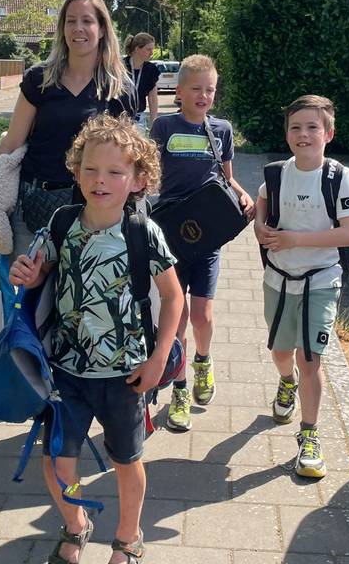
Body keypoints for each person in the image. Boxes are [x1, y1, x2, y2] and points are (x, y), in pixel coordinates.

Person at [9, 115, 182, 564]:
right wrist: (25, 273)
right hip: (66, 370)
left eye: (113, 172)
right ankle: (75, 522)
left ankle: (128, 536)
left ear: (138, 180)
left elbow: (174, 296)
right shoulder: (63, 222)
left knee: (127, 460)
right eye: (89, 169)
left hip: (127, 374)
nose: (99, 181)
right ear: (76, 169)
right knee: (57, 461)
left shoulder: (143, 233)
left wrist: (160, 357)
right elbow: (37, 267)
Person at [254, 95, 349, 479]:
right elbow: (262, 204)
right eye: (296, 127)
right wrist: (260, 227)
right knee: (283, 353)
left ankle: (309, 436)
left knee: (310, 357)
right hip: (279, 280)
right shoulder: (277, 173)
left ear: (328, 134)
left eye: (313, 127)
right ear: (287, 134)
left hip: (321, 279)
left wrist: (295, 240)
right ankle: (287, 383)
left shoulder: (338, 176)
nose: (304, 134)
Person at [148, 54, 255, 431]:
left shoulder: (220, 129)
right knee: (174, 317)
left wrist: (244, 197)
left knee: (202, 314)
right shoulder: (163, 127)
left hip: (208, 235)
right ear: (178, 92)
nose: (204, 95)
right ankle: (178, 387)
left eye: (210, 89)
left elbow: (228, 178)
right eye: (196, 89)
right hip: (171, 236)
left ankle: (203, 363)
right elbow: (147, 174)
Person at [0, 0, 141, 258]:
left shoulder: (119, 89)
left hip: (94, 211)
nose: (78, 28)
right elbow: (12, 142)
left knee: (80, 295)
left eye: (87, 21)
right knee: (29, 294)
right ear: (62, 28)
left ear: (102, 28)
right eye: (71, 21)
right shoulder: (39, 79)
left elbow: (129, 159)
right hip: (35, 206)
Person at [122, 32, 160, 122]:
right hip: (119, 118)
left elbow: (153, 99)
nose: (151, 53)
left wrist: (154, 122)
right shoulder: (120, 66)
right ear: (137, 49)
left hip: (139, 119)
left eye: (152, 49)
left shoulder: (151, 70)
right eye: (148, 49)